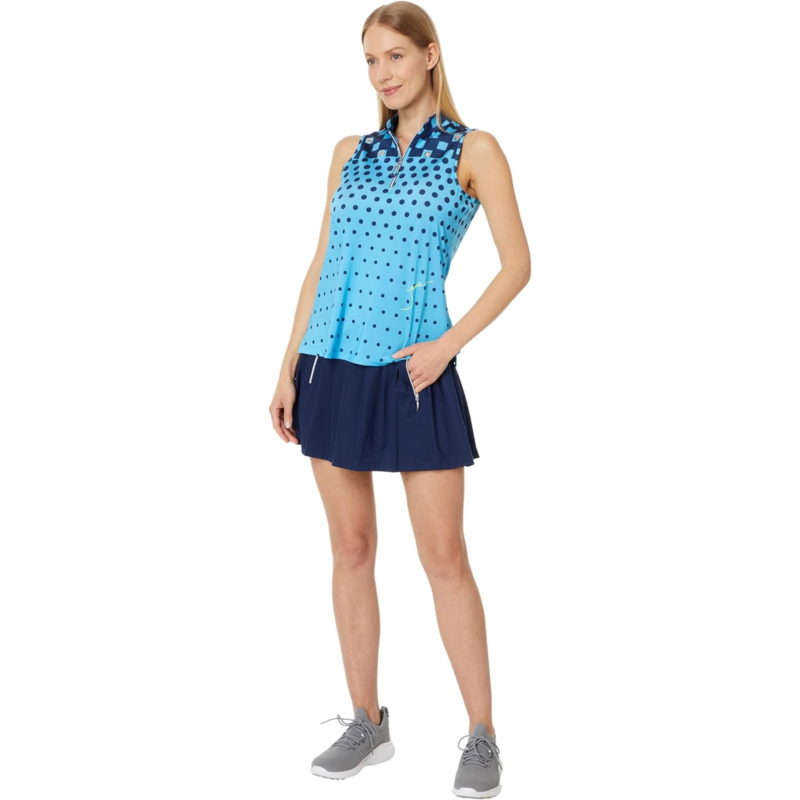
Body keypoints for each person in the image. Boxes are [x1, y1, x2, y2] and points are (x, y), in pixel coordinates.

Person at [269, 3, 530, 796]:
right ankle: (367, 721)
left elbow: (518, 265)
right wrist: (286, 368)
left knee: (445, 558)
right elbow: (321, 262)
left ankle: (482, 735)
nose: (382, 73)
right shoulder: (349, 152)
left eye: (394, 56)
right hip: (331, 365)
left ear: (430, 55)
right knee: (350, 550)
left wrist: (448, 345)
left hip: (416, 368)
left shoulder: (474, 150)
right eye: (370, 61)